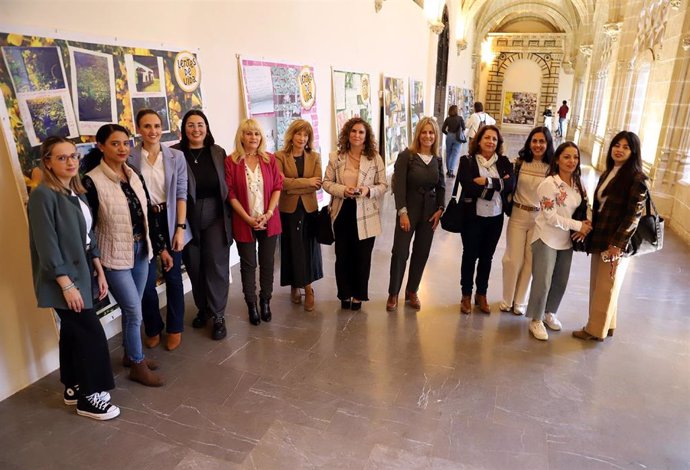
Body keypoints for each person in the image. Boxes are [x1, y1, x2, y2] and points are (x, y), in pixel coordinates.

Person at [28, 136, 120, 420]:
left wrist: (99, 269)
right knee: (90, 334)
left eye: (73, 156)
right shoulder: (43, 195)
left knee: (72, 333)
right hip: (63, 281)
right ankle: (89, 396)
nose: (70, 162)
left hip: (83, 274)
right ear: (48, 163)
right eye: (62, 157)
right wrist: (65, 284)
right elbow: (47, 246)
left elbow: (87, 236)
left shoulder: (74, 192)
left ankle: (73, 386)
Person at [82, 124, 168, 387]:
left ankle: (131, 356)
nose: (122, 148)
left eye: (126, 143)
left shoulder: (133, 174)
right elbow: (90, 226)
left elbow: (146, 213)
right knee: (132, 309)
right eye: (115, 143)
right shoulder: (92, 181)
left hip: (141, 250)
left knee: (136, 307)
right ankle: (138, 365)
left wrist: (158, 246)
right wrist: (96, 264)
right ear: (101, 146)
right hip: (114, 256)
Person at [573, 131, 648, 342]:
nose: (619, 149)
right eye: (617, 145)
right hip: (601, 236)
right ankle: (608, 323)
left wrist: (617, 244)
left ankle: (595, 330)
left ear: (633, 152)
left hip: (615, 242)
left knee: (605, 285)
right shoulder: (609, 173)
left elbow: (633, 215)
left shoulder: (637, 178)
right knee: (602, 283)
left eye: (625, 147)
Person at [130, 109, 192, 351]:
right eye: (147, 126)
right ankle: (153, 327)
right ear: (138, 129)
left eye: (157, 126)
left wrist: (179, 228)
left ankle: (175, 327)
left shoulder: (176, 156)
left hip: (170, 221)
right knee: (145, 283)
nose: (153, 131)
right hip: (144, 224)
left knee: (173, 276)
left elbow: (181, 194)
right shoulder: (130, 157)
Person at [172, 110, 232, 340]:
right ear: (183, 129)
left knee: (216, 264)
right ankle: (203, 308)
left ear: (206, 127)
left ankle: (218, 315)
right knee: (195, 265)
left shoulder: (217, 152)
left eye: (200, 124)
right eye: (190, 125)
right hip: (186, 215)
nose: (196, 129)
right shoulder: (175, 153)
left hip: (216, 214)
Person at [525, 142, 592, 340]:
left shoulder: (579, 184)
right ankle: (535, 320)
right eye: (567, 157)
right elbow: (550, 217)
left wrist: (586, 224)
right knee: (543, 281)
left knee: (561, 280)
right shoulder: (548, 184)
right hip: (546, 237)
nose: (572, 161)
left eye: (575, 157)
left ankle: (549, 312)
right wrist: (579, 226)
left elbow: (587, 208)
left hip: (567, 240)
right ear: (557, 159)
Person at [323, 117, 387, 310]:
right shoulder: (336, 157)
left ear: (366, 136)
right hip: (342, 210)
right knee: (342, 256)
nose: (356, 135)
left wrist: (368, 191)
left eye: (361, 132)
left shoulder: (375, 158)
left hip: (366, 212)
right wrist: (343, 190)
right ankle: (344, 293)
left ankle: (359, 295)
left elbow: (383, 185)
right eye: (353, 131)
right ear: (347, 134)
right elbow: (326, 182)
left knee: (362, 257)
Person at [225, 118, 283, 325]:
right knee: (248, 265)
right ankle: (251, 304)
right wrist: (248, 219)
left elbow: (277, 186)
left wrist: (268, 213)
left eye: (257, 133)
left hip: (269, 219)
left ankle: (265, 301)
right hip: (244, 221)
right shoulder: (231, 161)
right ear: (241, 136)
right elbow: (230, 193)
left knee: (267, 263)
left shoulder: (270, 159)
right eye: (249, 133)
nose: (254, 137)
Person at [386, 117, 445, 311]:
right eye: (424, 132)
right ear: (418, 134)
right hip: (409, 209)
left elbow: (441, 186)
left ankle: (412, 291)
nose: (428, 136)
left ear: (435, 136)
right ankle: (393, 293)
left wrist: (440, 209)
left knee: (421, 253)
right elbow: (399, 186)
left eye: (431, 132)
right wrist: (402, 212)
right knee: (400, 252)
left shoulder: (437, 159)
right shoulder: (407, 156)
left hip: (429, 213)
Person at [457, 125, 514, 314]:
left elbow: (510, 184)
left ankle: (481, 294)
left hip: (495, 218)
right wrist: (497, 187)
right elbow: (468, 186)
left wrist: (488, 182)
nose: (491, 142)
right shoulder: (468, 161)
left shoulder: (504, 162)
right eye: (487, 138)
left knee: (487, 258)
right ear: (479, 140)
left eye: (495, 139)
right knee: (470, 255)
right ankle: (466, 294)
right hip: (472, 217)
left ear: (498, 143)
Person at [500, 127, 554, 316]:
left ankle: (520, 302)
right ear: (529, 143)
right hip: (518, 215)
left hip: (539, 219)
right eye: (534, 141)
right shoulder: (519, 163)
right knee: (513, 260)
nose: (538, 145)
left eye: (542, 142)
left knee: (530, 262)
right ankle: (507, 299)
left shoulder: (551, 168)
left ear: (547, 144)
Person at [275, 119, 323, 312]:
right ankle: (296, 285)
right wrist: (306, 182)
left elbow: (317, 182)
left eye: (305, 135)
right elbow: (282, 183)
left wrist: (295, 184)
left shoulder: (315, 157)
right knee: (292, 247)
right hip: (289, 210)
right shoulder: (280, 156)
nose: (302, 138)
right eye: (298, 134)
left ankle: (308, 288)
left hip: (309, 208)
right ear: (291, 135)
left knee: (308, 248)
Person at [441, 105, 465, 177]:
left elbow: (443, 129)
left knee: (448, 153)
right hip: (457, 137)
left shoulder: (447, 119)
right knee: (455, 154)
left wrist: (448, 134)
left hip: (449, 136)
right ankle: (451, 170)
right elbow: (464, 127)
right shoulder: (460, 118)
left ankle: (448, 170)